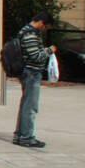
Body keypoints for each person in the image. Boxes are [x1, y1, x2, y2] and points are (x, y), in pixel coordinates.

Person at [14, 11, 56, 148]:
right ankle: (26, 137)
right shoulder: (30, 34)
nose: (45, 31)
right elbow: (35, 56)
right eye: (46, 27)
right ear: (42, 23)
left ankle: (20, 135)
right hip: (31, 72)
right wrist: (49, 50)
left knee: (26, 104)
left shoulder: (27, 32)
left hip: (29, 72)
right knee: (30, 106)